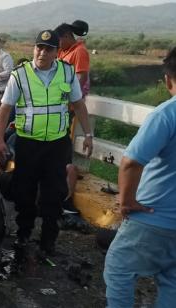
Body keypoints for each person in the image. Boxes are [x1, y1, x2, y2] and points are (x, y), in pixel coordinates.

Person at [0, 30, 93, 255]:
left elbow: (78, 105)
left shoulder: (67, 73)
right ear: (34, 49)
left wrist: (88, 135)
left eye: (48, 49)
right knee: (24, 192)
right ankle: (24, 234)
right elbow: (6, 108)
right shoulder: (21, 75)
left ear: (56, 52)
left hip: (57, 145)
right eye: (39, 47)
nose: (42, 52)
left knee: (54, 195)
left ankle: (48, 241)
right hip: (28, 144)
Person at [103, 47, 176, 308]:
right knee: (172, 282)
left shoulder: (166, 114)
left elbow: (131, 162)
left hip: (154, 217)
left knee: (119, 268)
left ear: (168, 80)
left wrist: (126, 201)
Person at [55, 21, 91, 214]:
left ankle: (66, 197)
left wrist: (63, 95)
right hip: (60, 105)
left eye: (59, 40)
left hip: (70, 105)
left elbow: (80, 79)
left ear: (68, 36)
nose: (58, 43)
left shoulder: (80, 52)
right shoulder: (63, 52)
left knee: (64, 148)